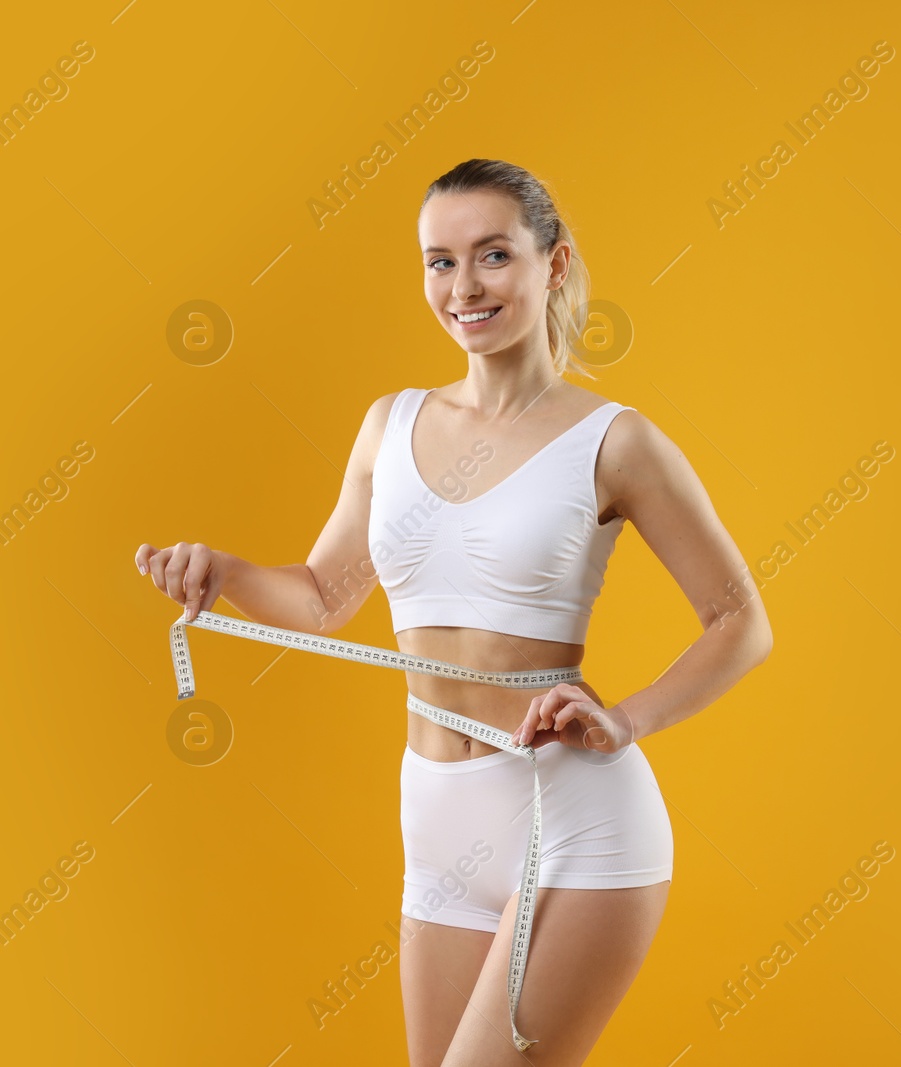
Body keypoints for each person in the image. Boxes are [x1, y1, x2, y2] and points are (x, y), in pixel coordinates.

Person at [133, 158, 773, 1066]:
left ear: (553, 265)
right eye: (440, 261)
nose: (463, 286)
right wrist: (223, 570)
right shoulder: (388, 425)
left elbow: (741, 620)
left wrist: (625, 719)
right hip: (434, 820)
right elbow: (323, 597)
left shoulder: (614, 440)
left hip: (570, 817)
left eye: (492, 254)